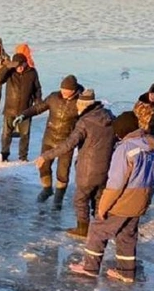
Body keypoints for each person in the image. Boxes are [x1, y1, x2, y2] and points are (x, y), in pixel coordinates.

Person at [68, 112, 154, 283]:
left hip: (124, 200)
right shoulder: (152, 146)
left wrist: (102, 208)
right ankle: (126, 272)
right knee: (127, 235)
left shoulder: (125, 149)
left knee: (98, 230)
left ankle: (90, 267)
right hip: (142, 198)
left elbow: (116, 183)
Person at [34, 89, 115, 239]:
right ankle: (100, 227)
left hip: (88, 167)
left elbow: (68, 145)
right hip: (106, 166)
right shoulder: (108, 116)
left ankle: (83, 229)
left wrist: (46, 156)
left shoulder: (84, 122)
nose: (77, 107)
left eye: (78, 105)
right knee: (99, 197)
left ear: (83, 104)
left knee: (81, 199)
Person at [14, 75, 83, 209]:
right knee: (43, 166)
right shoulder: (53, 97)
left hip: (66, 143)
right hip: (49, 139)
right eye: (62, 90)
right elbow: (38, 107)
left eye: (66, 91)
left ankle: (58, 199)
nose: (63, 93)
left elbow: (86, 122)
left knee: (62, 172)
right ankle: (47, 189)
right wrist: (23, 115)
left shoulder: (79, 102)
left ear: (73, 91)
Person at [0, 52, 41, 161]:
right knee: (6, 134)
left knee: (25, 135)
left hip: (26, 109)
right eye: (17, 66)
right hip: (10, 109)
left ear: (25, 64)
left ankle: (23, 157)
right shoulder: (9, 72)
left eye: (21, 65)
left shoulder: (32, 73)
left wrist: (38, 100)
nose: (19, 68)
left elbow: (37, 88)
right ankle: (4, 155)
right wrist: (7, 67)